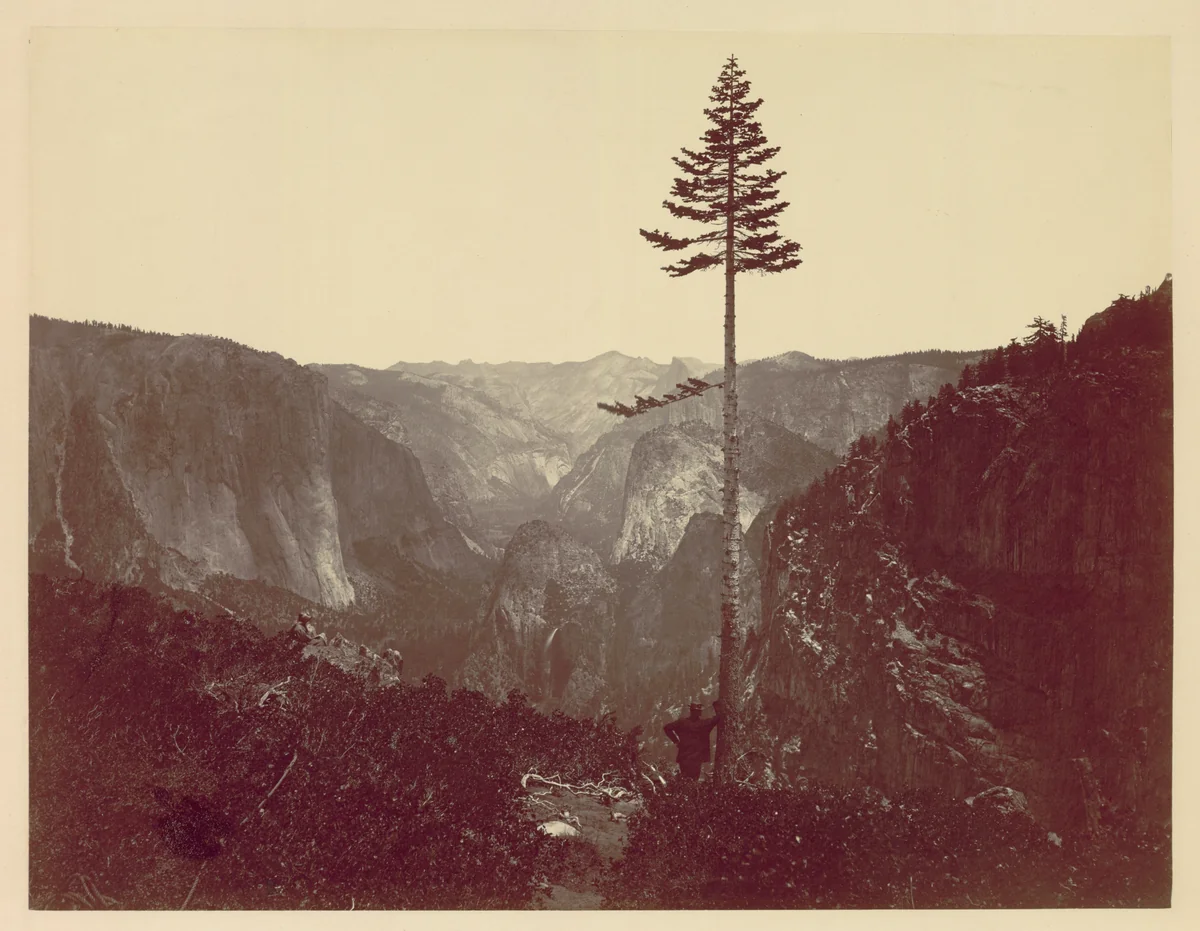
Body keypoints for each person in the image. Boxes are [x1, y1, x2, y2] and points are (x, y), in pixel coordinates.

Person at [664, 700, 722, 780]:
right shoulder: (704, 724)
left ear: (691, 711)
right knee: (694, 779)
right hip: (697, 757)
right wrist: (717, 707)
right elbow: (716, 719)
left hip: (684, 757)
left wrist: (676, 741)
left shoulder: (682, 722)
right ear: (699, 712)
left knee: (684, 779)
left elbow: (667, 728)